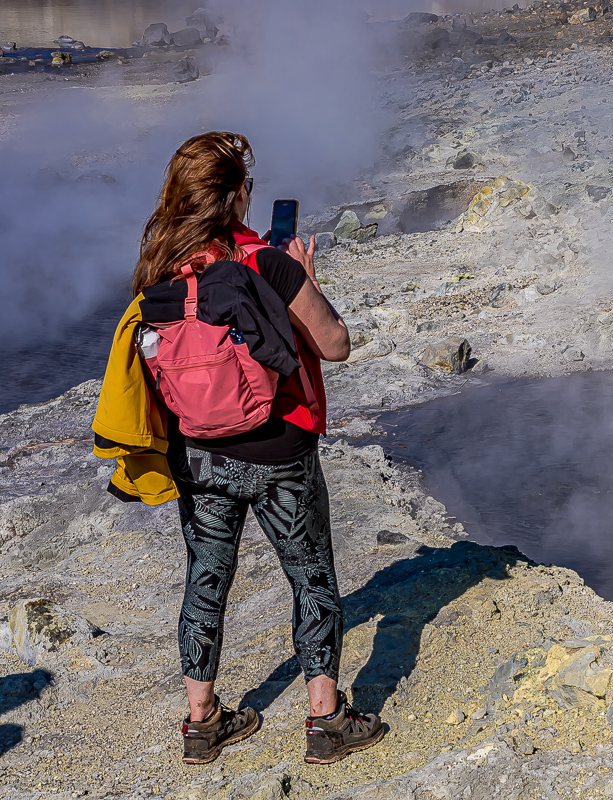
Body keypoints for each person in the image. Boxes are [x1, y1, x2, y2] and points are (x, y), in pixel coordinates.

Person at [94, 131, 383, 766]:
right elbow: (334, 343)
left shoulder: (158, 274)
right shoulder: (267, 265)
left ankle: (202, 722)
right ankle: (326, 720)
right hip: (281, 452)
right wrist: (303, 278)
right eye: (246, 188)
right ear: (233, 200)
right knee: (310, 578)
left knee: (206, 579)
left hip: (198, 455)